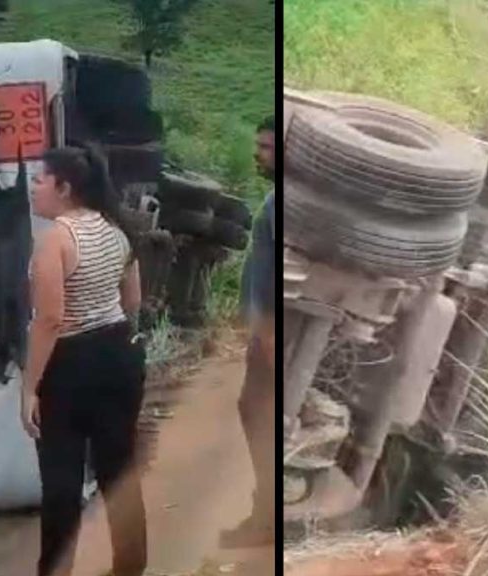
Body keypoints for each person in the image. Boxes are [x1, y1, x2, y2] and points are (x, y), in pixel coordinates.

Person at [21, 145, 146, 576]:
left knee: (61, 481)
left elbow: (50, 319)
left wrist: (29, 388)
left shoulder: (55, 239)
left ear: (64, 187)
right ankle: (131, 566)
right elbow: (133, 302)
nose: (33, 187)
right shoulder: (118, 230)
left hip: (69, 363)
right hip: (118, 355)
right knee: (118, 469)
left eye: (40, 179)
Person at [220, 116, 276, 548]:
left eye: (267, 147)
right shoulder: (275, 200)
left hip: (271, 337)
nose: (258, 155)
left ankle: (267, 519)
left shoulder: (281, 205)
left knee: (260, 415)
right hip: (264, 335)